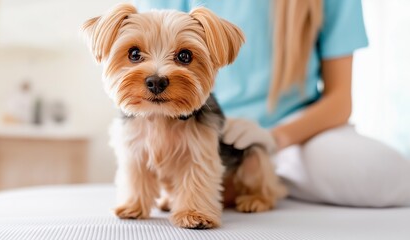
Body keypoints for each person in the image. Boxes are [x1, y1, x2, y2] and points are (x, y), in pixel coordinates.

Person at [136, 0, 410, 207]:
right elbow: (152, 69)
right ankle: (243, 178)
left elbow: (340, 100)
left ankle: (262, 173)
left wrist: (273, 139)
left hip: (299, 131)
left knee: (390, 174)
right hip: (202, 123)